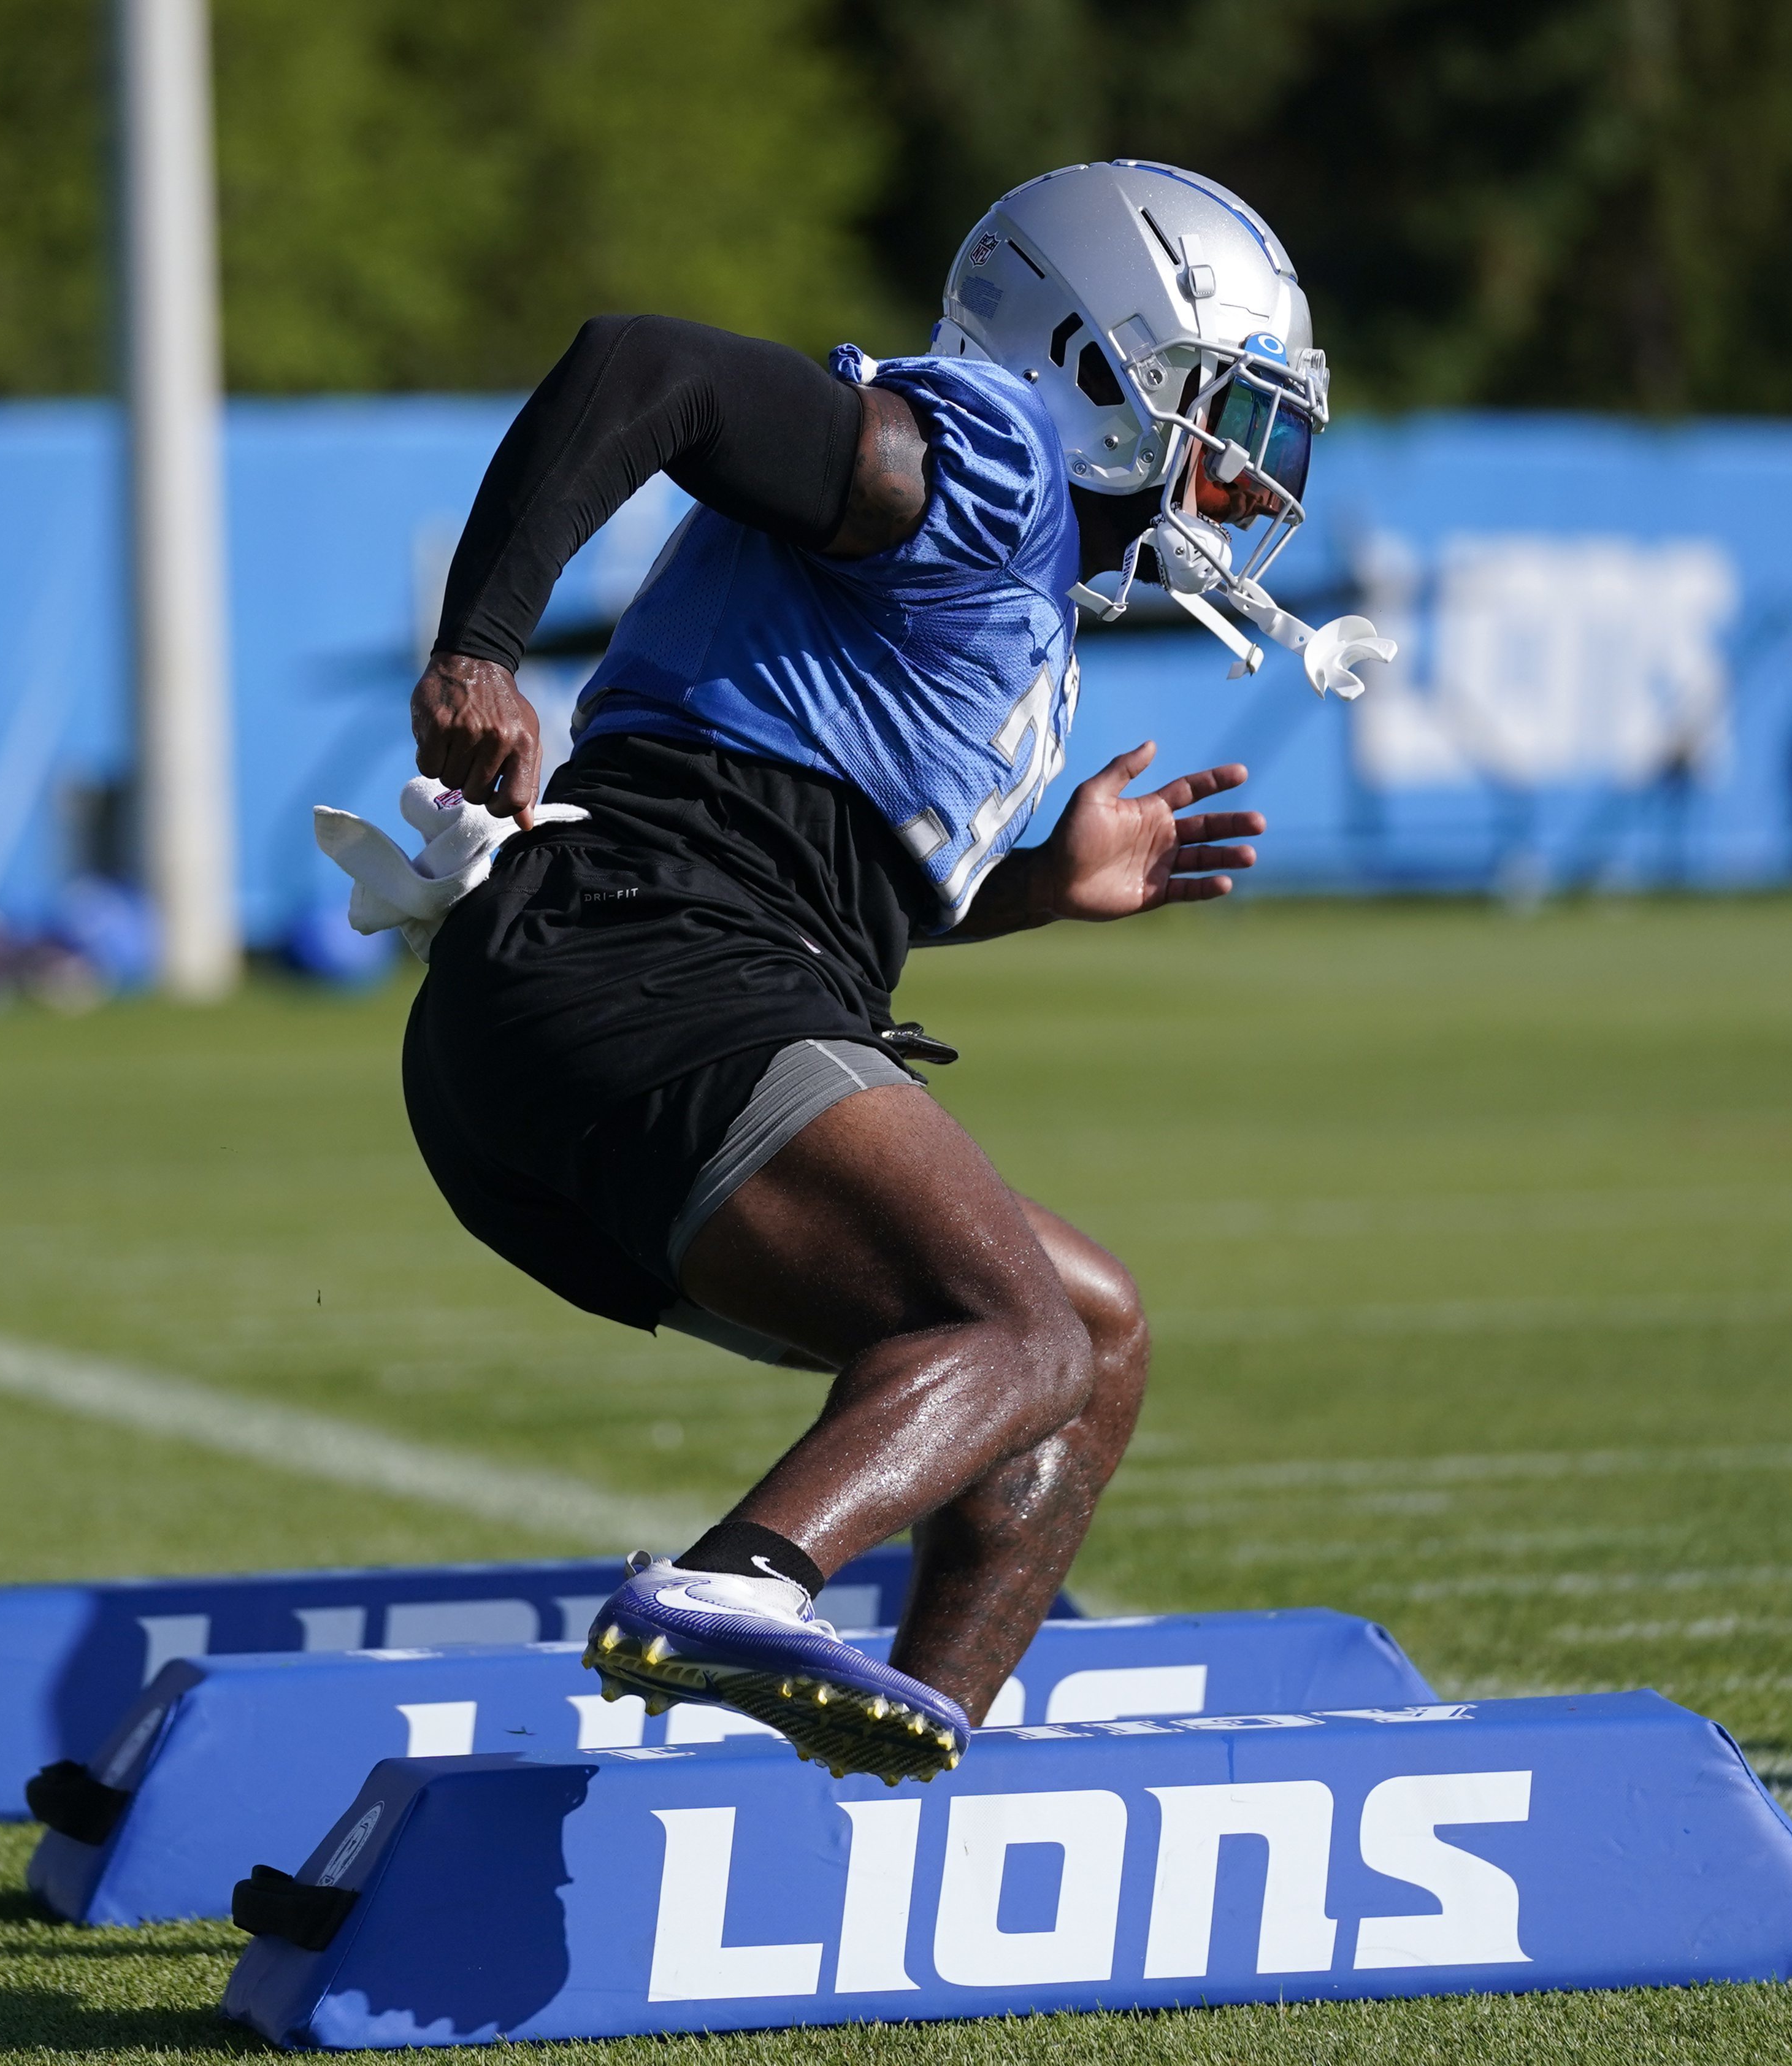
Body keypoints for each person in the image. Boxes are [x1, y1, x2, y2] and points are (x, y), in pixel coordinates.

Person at [394, 161, 1392, 1784]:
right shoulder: (986, 461)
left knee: (1090, 1337)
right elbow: (648, 365)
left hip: (598, 1006)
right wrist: (483, 648)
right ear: (1094, 362)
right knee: (1017, 1332)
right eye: (1236, 415)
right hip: (637, 968)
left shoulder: (1011, 588)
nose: (1254, 475)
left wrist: (1035, 891)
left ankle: (907, 1777)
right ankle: (741, 1582)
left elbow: (807, 866)